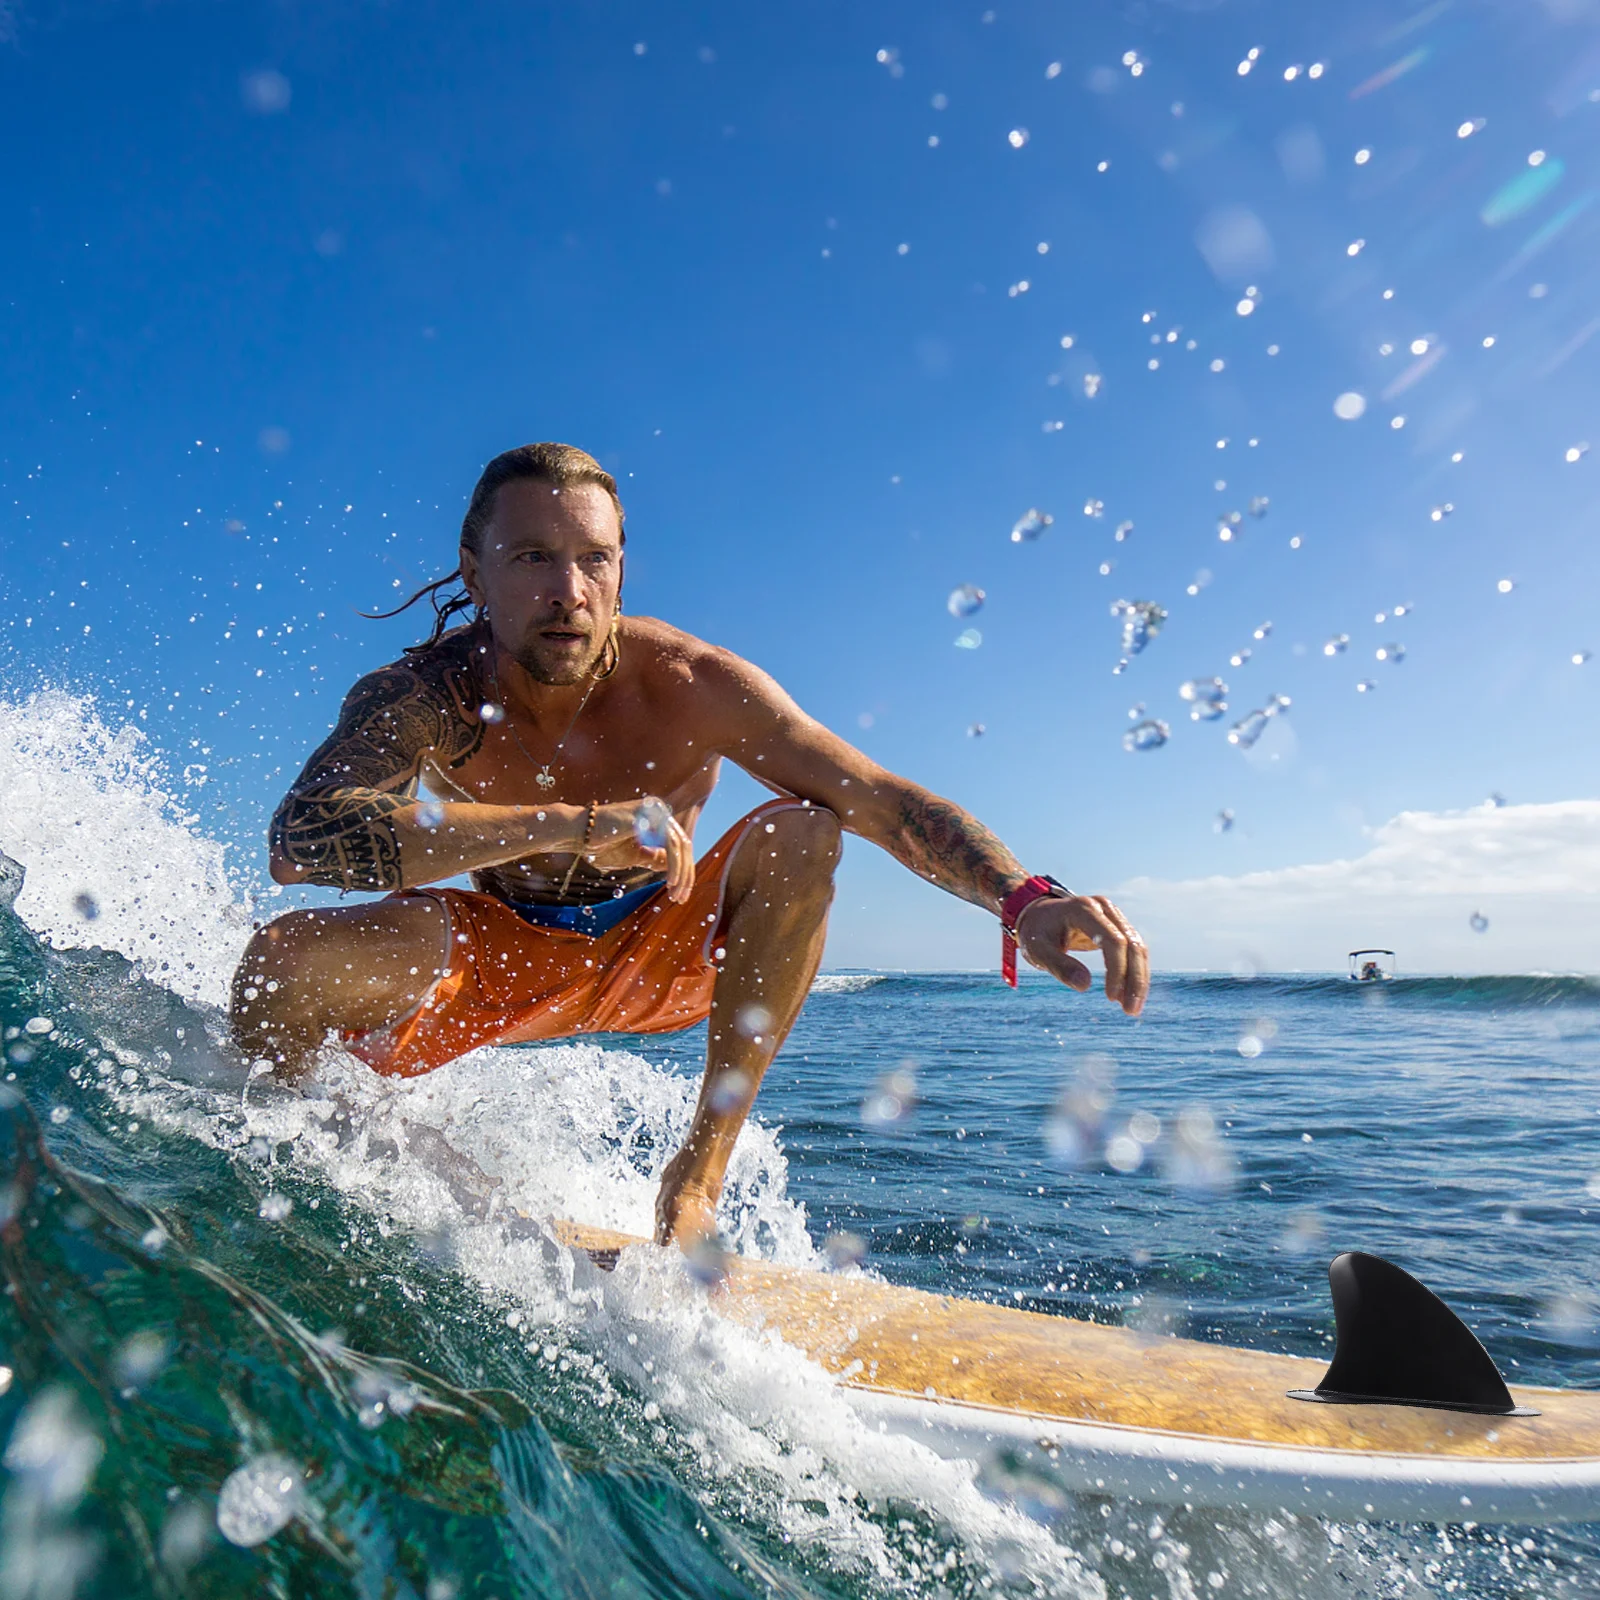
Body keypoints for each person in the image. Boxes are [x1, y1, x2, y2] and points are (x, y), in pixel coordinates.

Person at [232, 443, 1150, 1247]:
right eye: (532, 559)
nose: (568, 592)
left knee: (802, 833)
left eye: (595, 559)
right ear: (473, 574)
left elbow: (880, 801)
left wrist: (1023, 898)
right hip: (505, 956)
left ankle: (697, 1177)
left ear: (623, 569)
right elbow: (302, 839)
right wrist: (572, 826)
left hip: (667, 945)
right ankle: (334, 1170)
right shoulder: (425, 694)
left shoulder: (689, 683)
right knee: (280, 964)